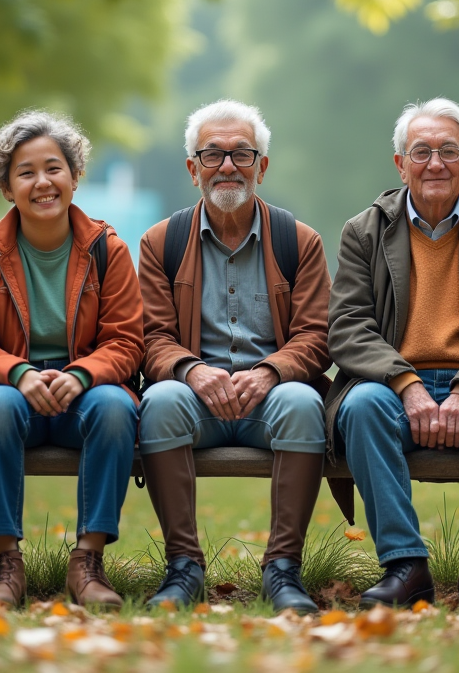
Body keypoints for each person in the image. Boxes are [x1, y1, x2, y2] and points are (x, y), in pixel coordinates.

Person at [327, 98, 459, 610]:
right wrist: (407, 385)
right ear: (400, 164)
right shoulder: (364, 232)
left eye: (449, 150)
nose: (435, 163)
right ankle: (405, 567)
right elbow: (347, 326)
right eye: (420, 151)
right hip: (390, 387)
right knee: (358, 409)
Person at [137, 100, 331, 614]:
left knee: (302, 402)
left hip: (269, 401)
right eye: (212, 154)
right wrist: (192, 370)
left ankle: (283, 569)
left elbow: (317, 335)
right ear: (192, 168)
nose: (227, 165)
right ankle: (184, 567)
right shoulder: (162, 242)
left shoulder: (298, 241)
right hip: (196, 401)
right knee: (160, 399)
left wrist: (271, 371)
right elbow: (151, 336)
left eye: (242, 154)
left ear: (262, 167)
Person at [0, 111, 143, 610]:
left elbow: (125, 342)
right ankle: (4, 564)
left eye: (54, 168)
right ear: (6, 186)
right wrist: (20, 373)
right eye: (26, 172)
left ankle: (88, 563)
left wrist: (81, 375)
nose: (43, 182)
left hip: (81, 398)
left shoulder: (107, 249)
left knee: (116, 407)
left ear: (75, 178)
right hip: (10, 396)